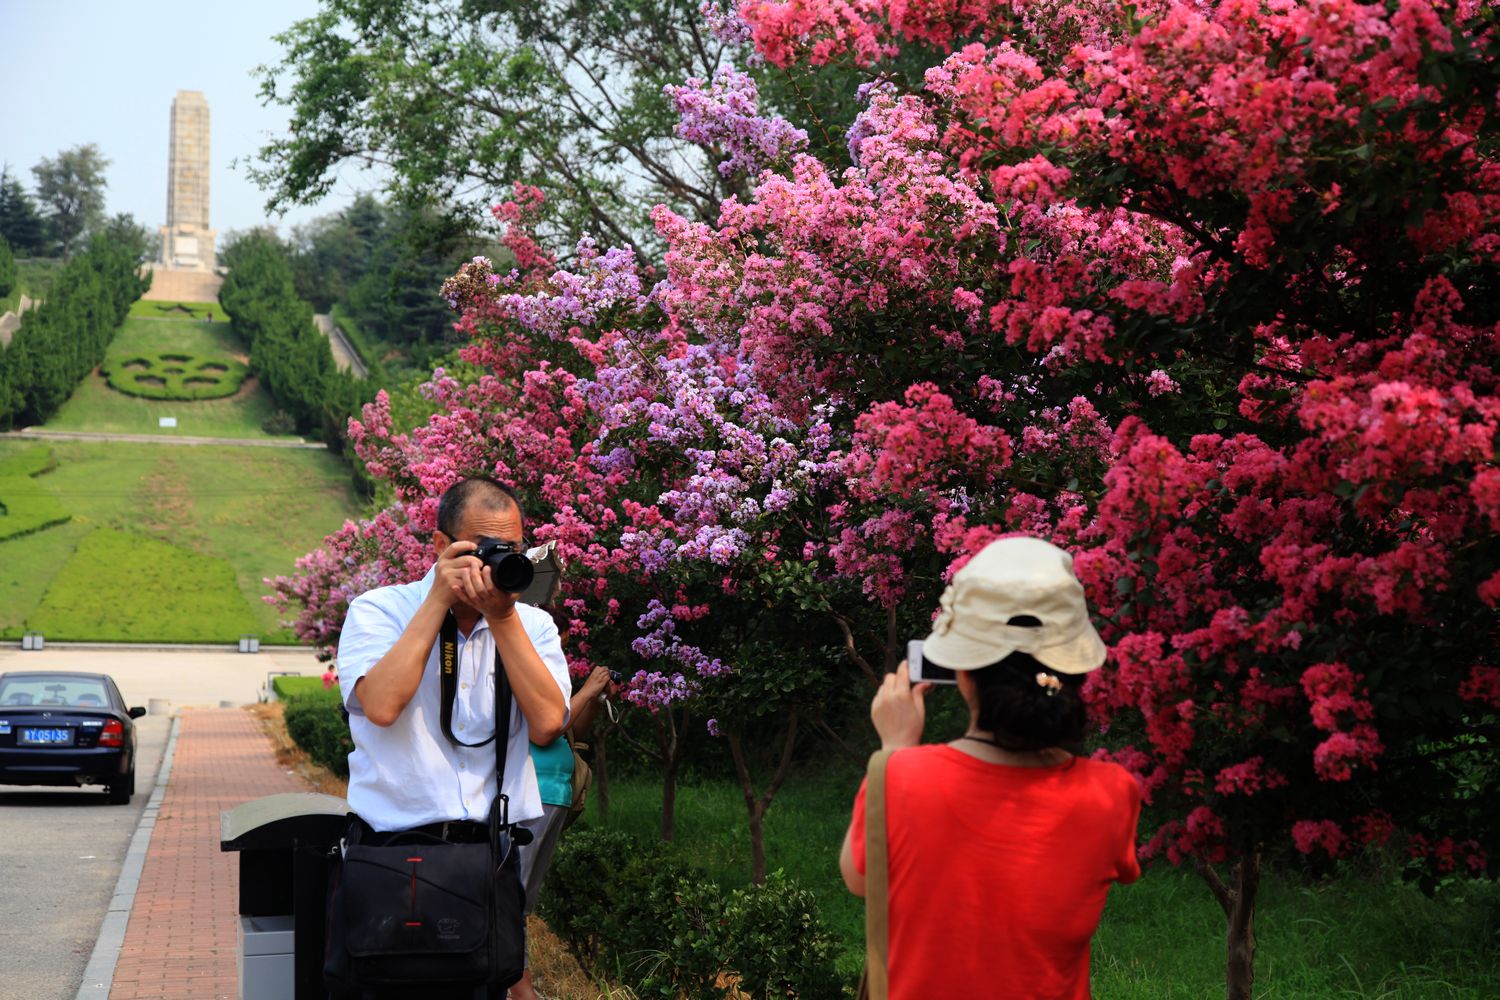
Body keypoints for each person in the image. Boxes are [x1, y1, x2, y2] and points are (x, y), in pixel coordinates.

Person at [840, 535, 1141, 1000]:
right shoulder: (1112, 794)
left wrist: (895, 747)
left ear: (962, 672)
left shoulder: (900, 778)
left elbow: (862, 880)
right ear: (1071, 672)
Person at [335, 477, 571, 991]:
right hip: (392, 855)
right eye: (482, 549)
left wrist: (502, 615)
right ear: (441, 546)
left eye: (508, 550)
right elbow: (380, 705)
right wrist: (437, 603)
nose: (494, 562)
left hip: (489, 858)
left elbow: (549, 723)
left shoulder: (532, 625)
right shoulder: (379, 610)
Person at [508, 607, 614, 1000]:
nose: (560, 644)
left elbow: (573, 731)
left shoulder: (549, 667)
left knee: (523, 897)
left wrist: (594, 699)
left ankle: (516, 982)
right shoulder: (519, 667)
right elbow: (544, 728)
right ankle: (519, 987)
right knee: (510, 895)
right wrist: (585, 689)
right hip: (528, 790)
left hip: (555, 793)